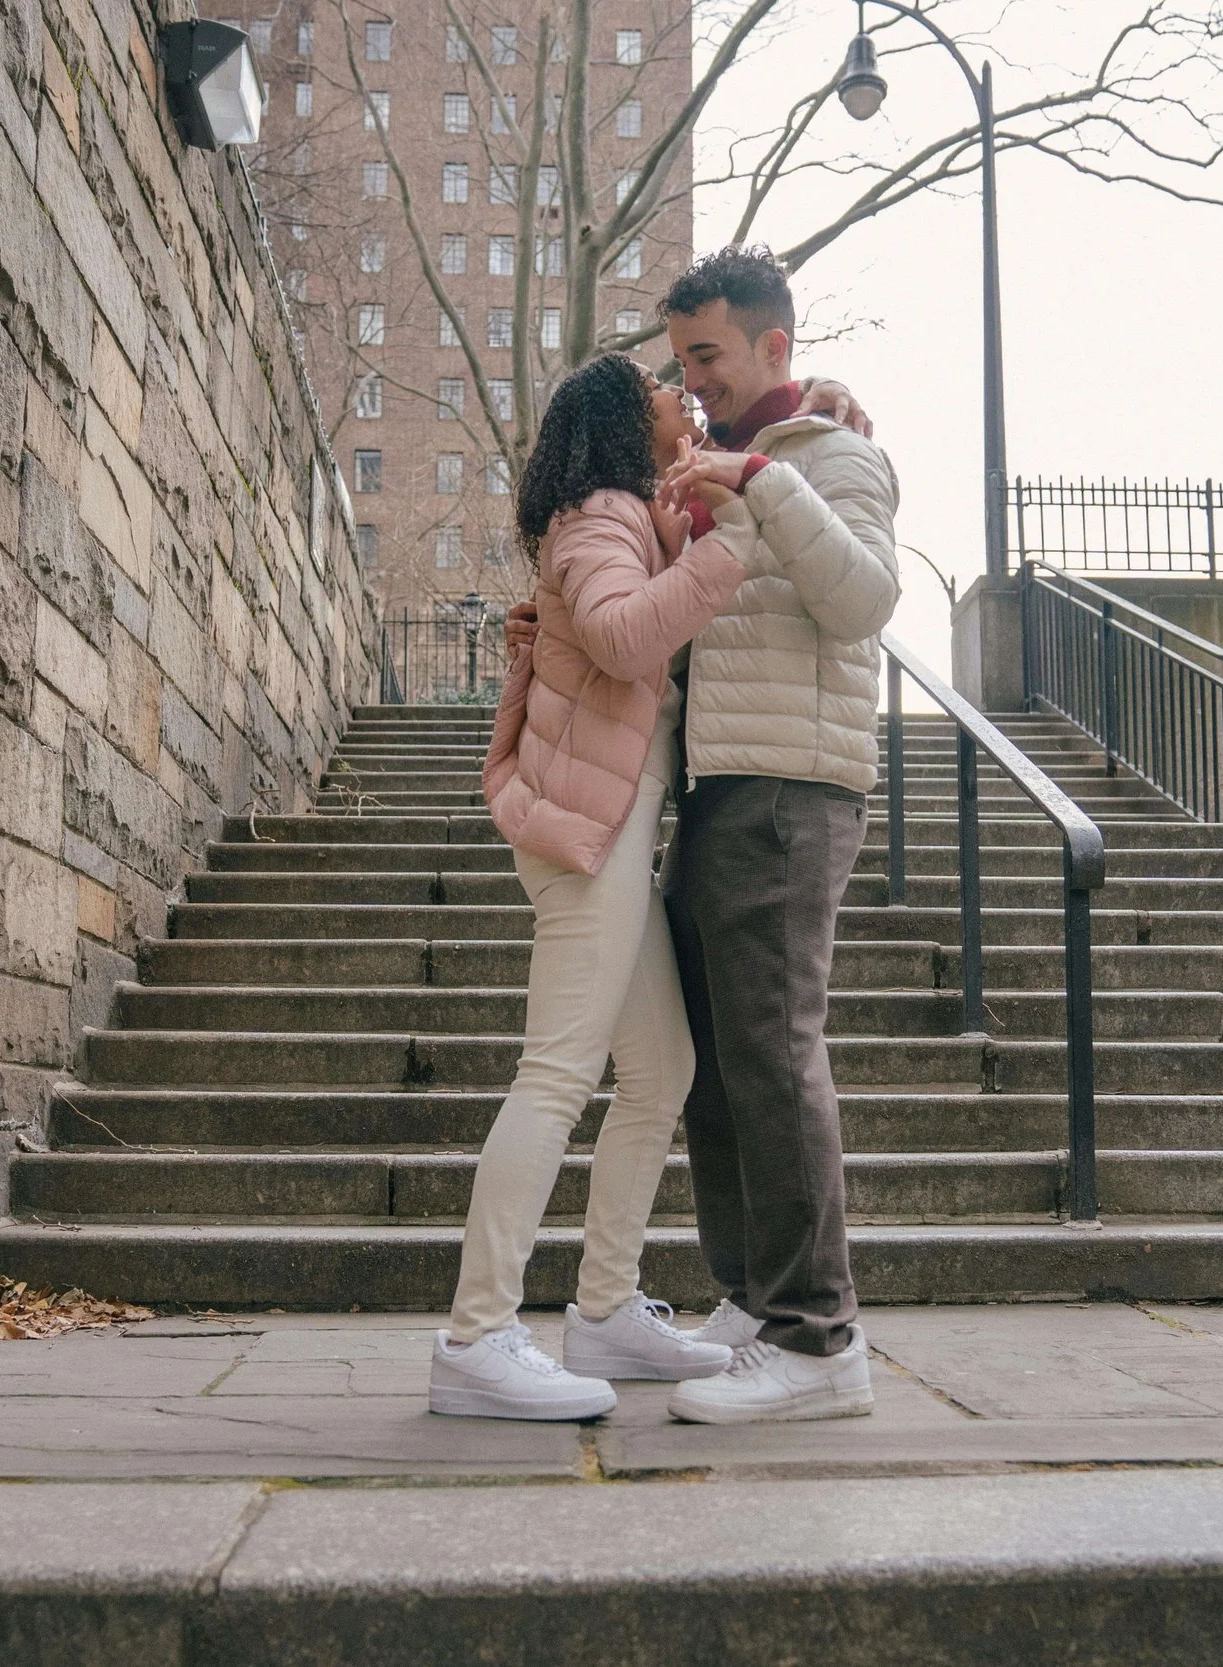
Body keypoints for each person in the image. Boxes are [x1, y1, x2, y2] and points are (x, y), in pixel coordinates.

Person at [428, 353, 752, 1421]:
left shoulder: (620, 518)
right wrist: (734, 548)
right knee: (558, 1072)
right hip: (586, 837)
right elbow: (619, 635)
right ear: (621, 418)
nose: (678, 396)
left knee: (661, 1068)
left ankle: (606, 1308)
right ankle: (475, 1334)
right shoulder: (599, 518)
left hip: (609, 828)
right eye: (660, 388)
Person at [653, 247, 902, 1425]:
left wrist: (761, 478)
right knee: (712, 1064)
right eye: (681, 359)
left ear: (773, 345)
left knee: (771, 1054)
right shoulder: (709, 460)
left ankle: (818, 1337)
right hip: (713, 785)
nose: (693, 379)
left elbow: (862, 602)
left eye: (707, 354)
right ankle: (754, 1299)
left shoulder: (837, 457)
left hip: (791, 789)